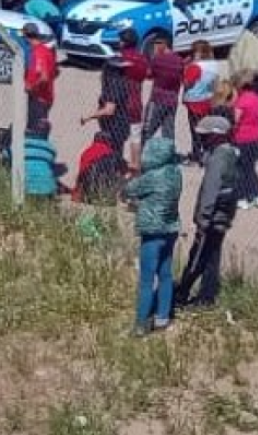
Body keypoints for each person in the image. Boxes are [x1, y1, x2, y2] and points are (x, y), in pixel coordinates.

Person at [176, 115, 241, 311]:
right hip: (222, 217)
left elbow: (210, 190)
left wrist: (202, 218)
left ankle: (182, 294)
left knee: (197, 258)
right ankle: (207, 296)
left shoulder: (219, 158)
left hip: (211, 219)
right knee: (212, 259)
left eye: (205, 136)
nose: (201, 140)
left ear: (216, 136)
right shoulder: (232, 154)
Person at [124, 136, 183, 336]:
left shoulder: (151, 177)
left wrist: (133, 176)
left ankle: (141, 323)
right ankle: (162, 317)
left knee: (147, 279)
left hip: (152, 232)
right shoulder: (175, 173)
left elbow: (129, 190)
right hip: (171, 229)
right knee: (165, 274)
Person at [80, 58, 131, 155]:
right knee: (116, 150)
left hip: (115, 125)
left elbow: (109, 110)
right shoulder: (122, 81)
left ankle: (112, 166)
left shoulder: (114, 84)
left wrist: (87, 117)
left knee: (111, 150)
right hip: (120, 124)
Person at [183, 40, 223, 163]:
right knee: (206, 128)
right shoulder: (214, 65)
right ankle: (207, 152)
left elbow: (187, 83)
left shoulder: (196, 67)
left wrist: (186, 68)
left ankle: (196, 155)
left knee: (195, 130)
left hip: (195, 101)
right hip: (208, 100)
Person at [233, 71, 258, 209]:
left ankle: (242, 198)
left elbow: (235, 120)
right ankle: (257, 195)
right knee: (250, 168)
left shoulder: (241, 101)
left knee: (240, 168)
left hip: (243, 138)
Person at [118, 29, 151, 169]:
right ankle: (135, 163)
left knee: (117, 135)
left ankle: (116, 162)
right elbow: (147, 75)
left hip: (121, 100)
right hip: (136, 99)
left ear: (125, 42)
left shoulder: (120, 58)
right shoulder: (142, 59)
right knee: (135, 135)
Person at [143, 37, 184, 144]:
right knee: (169, 131)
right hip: (173, 99)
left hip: (158, 99)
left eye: (156, 45)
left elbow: (148, 74)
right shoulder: (179, 60)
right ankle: (168, 154)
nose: (154, 47)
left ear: (163, 45)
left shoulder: (157, 59)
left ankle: (141, 152)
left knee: (148, 129)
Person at [69, 132, 125, 205]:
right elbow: (124, 167)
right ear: (108, 142)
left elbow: (81, 174)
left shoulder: (87, 152)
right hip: (106, 188)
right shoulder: (111, 153)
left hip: (88, 189)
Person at [24, 24, 56, 131]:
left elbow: (44, 77)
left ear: (26, 36)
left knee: (35, 130)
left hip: (39, 98)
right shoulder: (46, 51)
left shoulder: (38, 53)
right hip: (44, 96)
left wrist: (32, 87)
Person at [24, 119, 58, 198]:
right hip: (46, 189)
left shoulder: (22, 144)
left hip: (24, 187)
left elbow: (5, 156)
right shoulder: (50, 149)